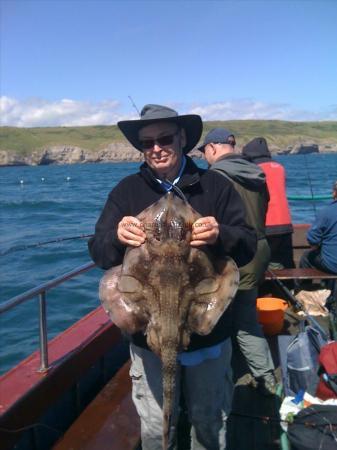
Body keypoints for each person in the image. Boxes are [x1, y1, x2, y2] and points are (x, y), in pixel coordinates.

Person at [88, 104, 257, 450]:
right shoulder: (126, 192)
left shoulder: (215, 187)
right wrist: (116, 237)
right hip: (148, 334)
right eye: (146, 143)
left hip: (206, 335)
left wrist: (220, 234)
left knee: (209, 422)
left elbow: (248, 245)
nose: (155, 148)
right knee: (156, 427)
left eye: (164, 138)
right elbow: (99, 252)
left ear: (182, 139)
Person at [198, 128, 276, 396]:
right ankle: (266, 377)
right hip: (259, 249)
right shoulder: (257, 174)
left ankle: (240, 382)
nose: (204, 157)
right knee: (247, 316)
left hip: (233, 257)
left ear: (213, 148)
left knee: (229, 322)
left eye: (204, 151)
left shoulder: (215, 177)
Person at [242, 137, 295, 270]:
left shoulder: (253, 170)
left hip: (266, 223)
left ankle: (271, 289)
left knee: (266, 263)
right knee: (286, 261)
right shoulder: (280, 168)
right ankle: (290, 288)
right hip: (285, 222)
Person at [299, 180, 337, 275]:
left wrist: (316, 246)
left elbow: (312, 238)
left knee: (306, 256)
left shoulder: (326, 212)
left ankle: (305, 287)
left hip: (332, 265)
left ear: (335, 193)